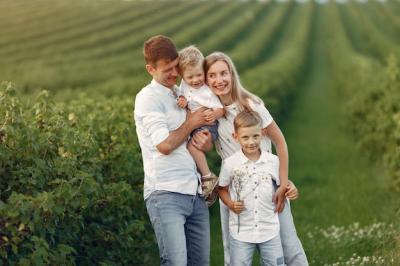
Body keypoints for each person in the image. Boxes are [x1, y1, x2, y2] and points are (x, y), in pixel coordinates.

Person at [191, 51, 308, 265]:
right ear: (206, 80)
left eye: (224, 73)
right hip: (234, 188)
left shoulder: (251, 105)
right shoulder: (210, 115)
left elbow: (280, 142)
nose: (220, 80)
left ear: (232, 74)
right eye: (213, 76)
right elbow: (206, 144)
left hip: (267, 184)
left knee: (288, 245)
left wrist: (282, 183)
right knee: (233, 253)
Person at [133, 35, 211, 265]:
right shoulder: (147, 98)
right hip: (165, 194)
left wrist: (203, 141)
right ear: (150, 69)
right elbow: (164, 145)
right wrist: (192, 123)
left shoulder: (179, 93)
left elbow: (193, 138)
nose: (174, 74)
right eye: (167, 69)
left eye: (175, 67)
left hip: (194, 193)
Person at [219, 110, 284, 266]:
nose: (251, 142)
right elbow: (221, 189)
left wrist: (290, 188)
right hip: (241, 232)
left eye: (255, 136)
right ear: (236, 137)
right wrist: (231, 204)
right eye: (245, 137)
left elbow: (283, 183)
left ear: (262, 134)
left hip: (269, 229)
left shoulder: (273, 161)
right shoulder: (230, 164)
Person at [176, 45, 224, 205]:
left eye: (199, 75)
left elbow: (220, 109)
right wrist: (182, 100)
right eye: (190, 77)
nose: (195, 80)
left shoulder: (207, 91)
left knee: (192, 147)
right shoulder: (184, 85)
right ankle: (202, 180)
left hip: (208, 125)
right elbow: (183, 97)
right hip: (194, 123)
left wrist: (214, 114)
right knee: (188, 149)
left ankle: (208, 177)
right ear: (182, 76)